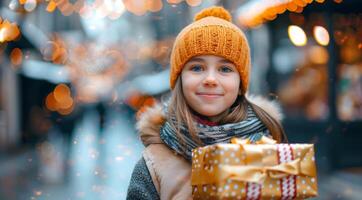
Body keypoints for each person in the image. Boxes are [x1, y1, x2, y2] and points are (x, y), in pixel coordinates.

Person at [126, 6, 286, 200]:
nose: (210, 79)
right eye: (197, 67)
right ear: (180, 79)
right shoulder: (154, 164)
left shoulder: (270, 148)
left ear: (240, 82)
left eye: (225, 69)